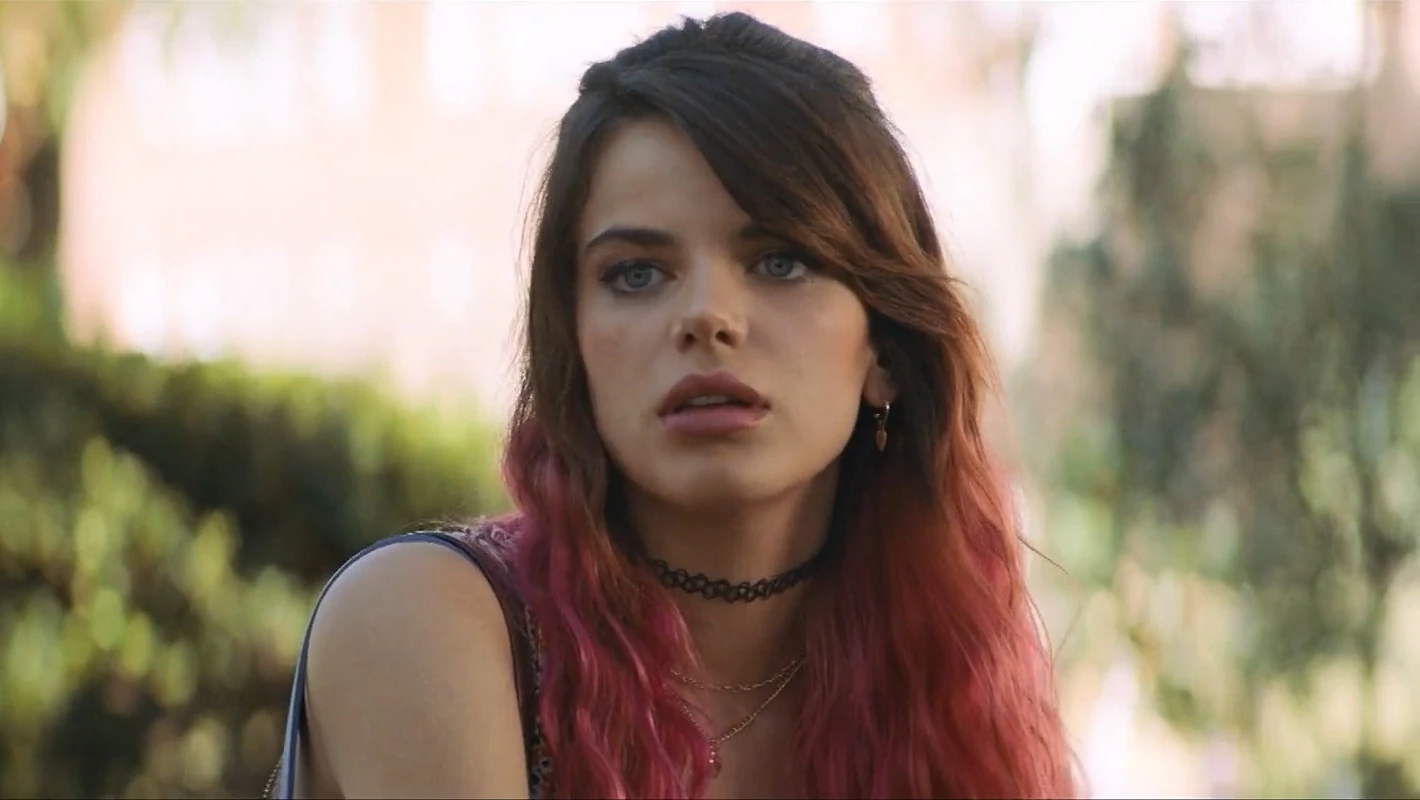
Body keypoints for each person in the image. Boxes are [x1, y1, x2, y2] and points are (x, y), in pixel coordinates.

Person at [269, 11, 1078, 799]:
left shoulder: (942, 675)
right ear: (574, 348)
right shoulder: (429, 617)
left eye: (781, 261)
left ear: (886, 353)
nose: (707, 316)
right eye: (636, 274)